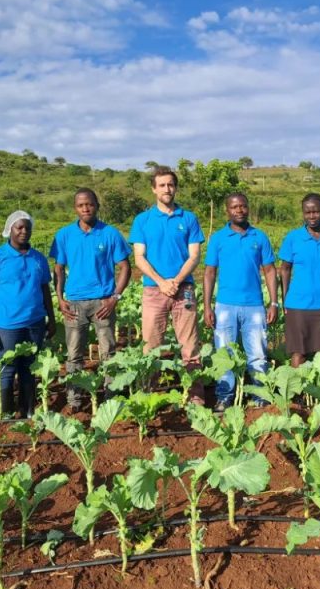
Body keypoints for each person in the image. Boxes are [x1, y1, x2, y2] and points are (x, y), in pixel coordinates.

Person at [50, 188, 131, 413]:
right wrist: (60, 297)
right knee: (74, 354)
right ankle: (74, 401)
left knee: (109, 353)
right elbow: (58, 269)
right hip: (74, 303)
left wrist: (115, 297)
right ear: (75, 208)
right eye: (81, 205)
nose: (86, 208)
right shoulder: (64, 235)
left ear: (97, 205)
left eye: (90, 204)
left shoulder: (110, 233)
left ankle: (110, 398)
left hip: (103, 303)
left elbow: (125, 267)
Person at [128, 167, 205, 403]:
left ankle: (195, 398)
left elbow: (194, 256)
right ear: (154, 189)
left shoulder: (189, 218)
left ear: (176, 187)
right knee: (151, 345)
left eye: (170, 184)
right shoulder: (143, 220)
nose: (167, 189)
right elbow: (139, 257)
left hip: (185, 290)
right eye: (161, 185)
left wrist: (176, 281)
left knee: (190, 345)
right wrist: (162, 282)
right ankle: (148, 398)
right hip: (154, 290)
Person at [203, 192, 278, 411]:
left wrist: (273, 303)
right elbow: (209, 273)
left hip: (254, 305)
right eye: (234, 207)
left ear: (248, 208)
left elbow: (270, 271)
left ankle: (260, 395)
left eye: (243, 206)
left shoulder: (259, 237)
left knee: (257, 353)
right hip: (225, 305)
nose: (239, 210)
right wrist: (207, 306)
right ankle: (224, 396)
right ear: (227, 211)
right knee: (224, 354)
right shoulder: (218, 238)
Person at [0, 211, 55, 418]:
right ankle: (5, 413)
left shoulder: (38, 258)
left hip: (35, 322)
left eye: (27, 228)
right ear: (9, 230)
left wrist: (51, 319)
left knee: (29, 368)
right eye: (19, 227)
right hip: (6, 324)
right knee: (7, 368)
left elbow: (45, 290)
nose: (24, 231)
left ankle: (28, 410)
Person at [279, 193, 320, 367]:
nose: (312, 216)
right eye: (307, 212)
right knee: (298, 352)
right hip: (298, 304)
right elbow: (285, 269)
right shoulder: (293, 238)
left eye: (316, 212)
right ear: (303, 213)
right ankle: (298, 393)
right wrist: (285, 299)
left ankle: (318, 393)